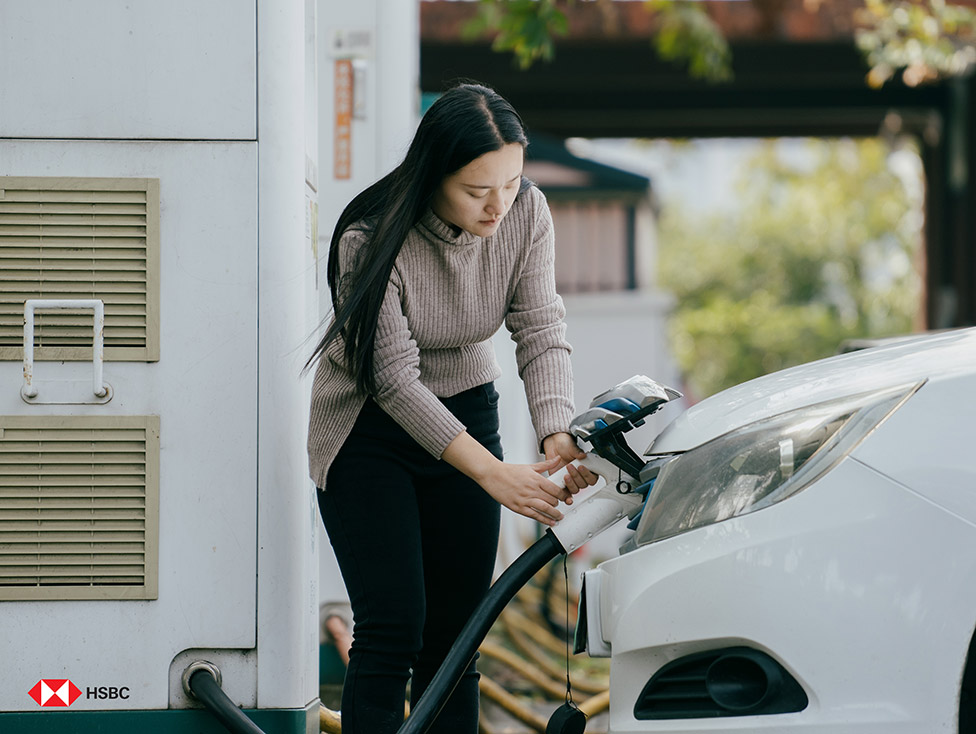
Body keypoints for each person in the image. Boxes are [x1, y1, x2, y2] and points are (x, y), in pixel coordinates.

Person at [305, 82, 596, 734]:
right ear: (432, 174)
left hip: (468, 407)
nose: (498, 205)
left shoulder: (527, 213)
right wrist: (493, 473)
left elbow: (540, 326)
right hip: (367, 430)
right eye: (476, 190)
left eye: (511, 183)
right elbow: (394, 382)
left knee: (459, 635)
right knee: (393, 625)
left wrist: (555, 432)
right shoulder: (368, 238)